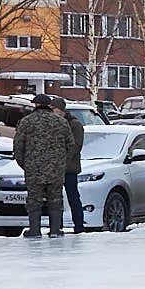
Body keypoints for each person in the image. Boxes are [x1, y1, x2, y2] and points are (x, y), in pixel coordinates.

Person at [11, 93, 75, 238]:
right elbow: (71, 145)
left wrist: (25, 164)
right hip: (56, 169)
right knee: (55, 199)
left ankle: (35, 230)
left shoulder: (26, 122)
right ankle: (55, 230)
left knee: (34, 200)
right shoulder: (61, 122)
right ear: (49, 106)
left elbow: (18, 146)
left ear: (35, 105)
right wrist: (61, 162)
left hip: (33, 169)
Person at [60, 97, 90, 234]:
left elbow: (76, 146)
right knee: (56, 198)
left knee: (73, 197)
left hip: (70, 168)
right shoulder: (57, 123)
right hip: (57, 168)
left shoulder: (74, 125)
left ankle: (79, 225)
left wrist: (63, 160)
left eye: (54, 109)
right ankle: (57, 226)